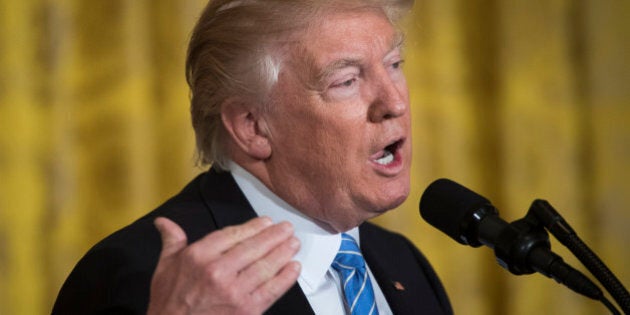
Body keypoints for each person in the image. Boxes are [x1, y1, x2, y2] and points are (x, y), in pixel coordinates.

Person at [53, 0, 453, 314]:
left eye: (394, 65)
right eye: (346, 81)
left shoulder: (402, 263)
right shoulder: (144, 277)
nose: (395, 102)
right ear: (253, 127)